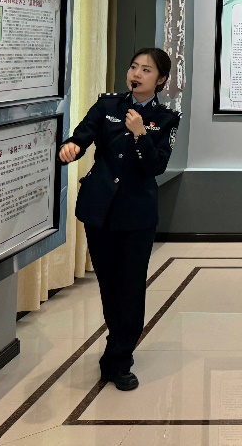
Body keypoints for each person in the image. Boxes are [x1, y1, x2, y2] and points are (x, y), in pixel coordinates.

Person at [62, 48, 180, 391]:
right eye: (134, 67)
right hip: (99, 210)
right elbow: (82, 136)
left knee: (130, 286)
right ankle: (117, 345)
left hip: (137, 214)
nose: (137, 74)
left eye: (146, 70)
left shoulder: (166, 119)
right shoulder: (107, 105)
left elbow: (156, 166)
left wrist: (141, 133)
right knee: (109, 284)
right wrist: (72, 148)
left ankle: (118, 359)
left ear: (160, 80)